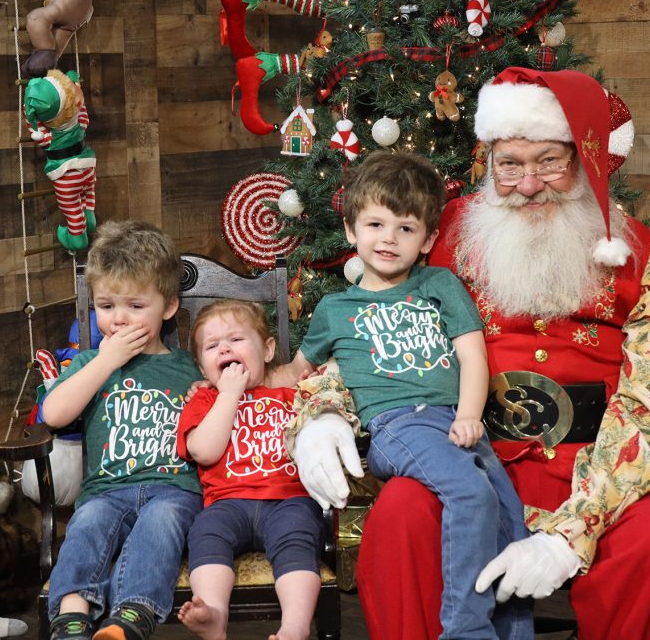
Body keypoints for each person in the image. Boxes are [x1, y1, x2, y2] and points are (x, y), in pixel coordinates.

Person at [289, 67, 650, 640]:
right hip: (465, 454)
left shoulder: (645, 258)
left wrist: (571, 533)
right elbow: (372, 328)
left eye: (550, 161)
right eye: (509, 164)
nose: (528, 183)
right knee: (400, 517)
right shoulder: (441, 241)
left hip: (601, 467)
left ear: (586, 161)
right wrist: (323, 410)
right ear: (488, 162)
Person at [281, 151, 533, 639]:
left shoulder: (439, 284)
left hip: (452, 420)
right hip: (399, 424)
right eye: (375, 224)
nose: (389, 239)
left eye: (406, 228)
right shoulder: (336, 307)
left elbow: (472, 356)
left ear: (428, 240)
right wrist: (240, 377)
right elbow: (297, 371)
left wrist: (468, 415)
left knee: (508, 517)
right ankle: (465, 630)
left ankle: (512, 634)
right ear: (351, 231)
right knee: (471, 493)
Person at [41, 220, 203, 640]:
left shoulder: (189, 367)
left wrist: (209, 394)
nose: (119, 319)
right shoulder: (90, 364)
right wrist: (105, 361)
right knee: (87, 523)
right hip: (106, 490)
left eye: (135, 305)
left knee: (161, 522)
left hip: (174, 489)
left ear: (168, 306)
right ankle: (71, 616)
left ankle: (130, 616)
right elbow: (54, 413)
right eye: (107, 306)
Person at [176, 299, 324, 640]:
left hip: (289, 499)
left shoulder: (291, 393)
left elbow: (322, 420)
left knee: (296, 540)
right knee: (205, 535)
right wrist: (228, 395)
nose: (225, 348)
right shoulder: (205, 400)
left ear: (267, 350)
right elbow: (204, 452)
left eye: (236, 339)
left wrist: (315, 388)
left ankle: (295, 627)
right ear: (202, 368)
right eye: (212, 346)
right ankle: (214, 614)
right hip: (227, 503)